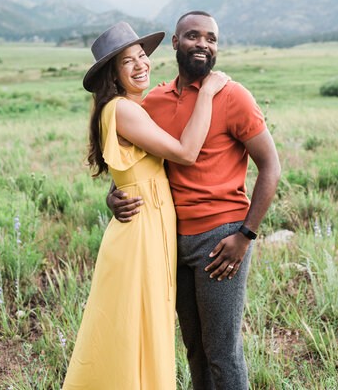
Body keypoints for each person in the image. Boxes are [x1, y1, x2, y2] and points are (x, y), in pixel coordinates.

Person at [108, 11, 281, 390]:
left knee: (222, 351)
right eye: (192, 36)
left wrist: (245, 235)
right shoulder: (152, 102)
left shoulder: (233, 95)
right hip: (170, 239)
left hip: (221, 238)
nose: (203, 43)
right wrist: (114, 196)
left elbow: (271, 166)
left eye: (211, 38)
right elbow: (138, 165)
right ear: (174, 42)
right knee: (194, 349)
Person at [62, 21, 229, 390]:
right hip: (141, 233)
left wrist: (113, 193)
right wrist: (208, 92)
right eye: (128, 62)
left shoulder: (124, 108)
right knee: (133, 331)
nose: (141, 65)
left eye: (142, 57)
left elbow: (127, 171)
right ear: (113, 74)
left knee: (137, 328)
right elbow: (186, 153)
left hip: (149, 227)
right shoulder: (123, 109)